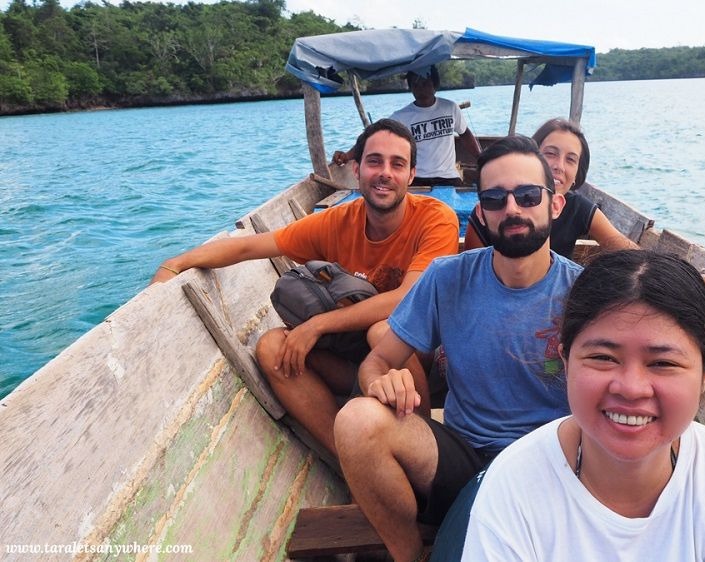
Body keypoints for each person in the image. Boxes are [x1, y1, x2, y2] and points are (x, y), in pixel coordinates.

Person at [333, 135, 581, 562]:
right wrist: (380, 382)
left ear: (555, 204)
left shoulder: (583, 292)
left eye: (527, 195)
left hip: (553, 462)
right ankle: (408, 554)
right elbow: (378, 361)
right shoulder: (447, 277)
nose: (512, 209)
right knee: (356, 420)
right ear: (480, 212)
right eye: (495, 199)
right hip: (465, 458)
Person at [151, 118, 459, 457]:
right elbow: (249, 247)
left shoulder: (435, 218)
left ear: (411, 175)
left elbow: (406, 300)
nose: (385, 172)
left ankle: (422, 445)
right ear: (356, 170)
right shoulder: (338, 221)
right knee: (272, 348)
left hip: (418, 358)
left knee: (382, 331)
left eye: (397, 164)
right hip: (357, 359)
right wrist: (176, 263)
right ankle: (345, 456)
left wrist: (317, 325)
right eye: (375, 161)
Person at [462, 250, 705, 561]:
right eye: (603, 358)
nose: (631, 388)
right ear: (566, 362)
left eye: (662, 363)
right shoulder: (515, 484)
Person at [466, 118, 705, 293]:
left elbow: (632, 253)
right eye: (550, 154)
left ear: (577, 175)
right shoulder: (494, 210)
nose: (558, 166)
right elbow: (472, 277)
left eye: (570, 159)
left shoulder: (579, 208)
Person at [334, 65, 482, 186]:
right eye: (416, 84)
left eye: (425, 83)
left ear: (434, 84)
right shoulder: (401, 117)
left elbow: (465, 134)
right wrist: (347, 155)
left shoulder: (450, 108)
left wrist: (481, 158)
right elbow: (373, 136)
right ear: (410, 87)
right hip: (416, 178)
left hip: (448, 177)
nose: (421, 88)